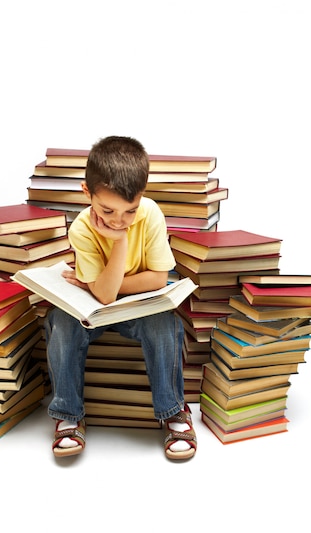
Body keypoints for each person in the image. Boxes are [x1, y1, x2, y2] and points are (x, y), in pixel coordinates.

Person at [45, 136, 197, 461]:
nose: (118, 220)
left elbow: (156, 279)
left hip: (137, 310)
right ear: (87, 193)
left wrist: (100, 276)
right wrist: (99, 286)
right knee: (59, 321)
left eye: (130, 210)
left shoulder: (151, 213)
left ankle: (173, 412)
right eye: (108, 210)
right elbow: (103, 295)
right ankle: (68, 414)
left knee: (164, 323)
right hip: (94, 313)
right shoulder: (82, 229)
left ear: (142, 197)